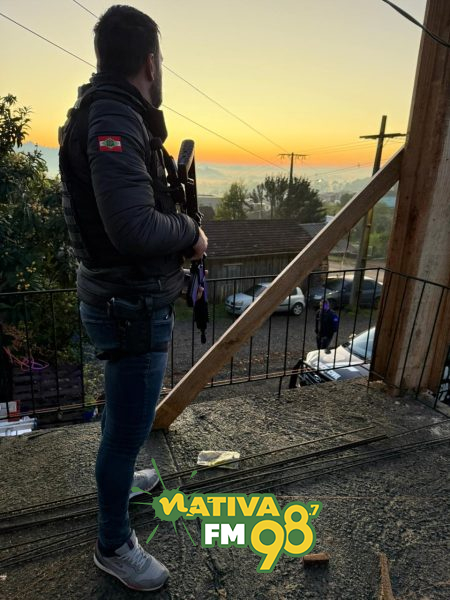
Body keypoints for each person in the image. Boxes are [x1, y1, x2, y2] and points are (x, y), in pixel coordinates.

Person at [59, 5, 208, 592]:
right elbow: (133, 228)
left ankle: (121, 485)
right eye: (160, 60)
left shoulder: (101, 110)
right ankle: (113, 545)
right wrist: (191, 233)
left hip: (121, 301)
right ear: (150, 62)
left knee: (125, 419)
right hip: (130, 308)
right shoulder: (114, 118)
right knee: (126, 431)